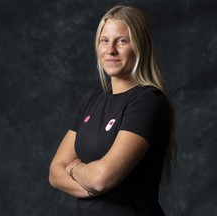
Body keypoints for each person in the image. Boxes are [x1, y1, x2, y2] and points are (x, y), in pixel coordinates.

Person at [49, 5, 177, 216]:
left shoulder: (148, 101)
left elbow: (100, 179)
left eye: (122, 41)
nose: (111, 50)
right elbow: (55, 172)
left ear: (140, 46)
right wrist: (91, 183)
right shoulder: (91, 99)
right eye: (104, 40)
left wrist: (73, 169)